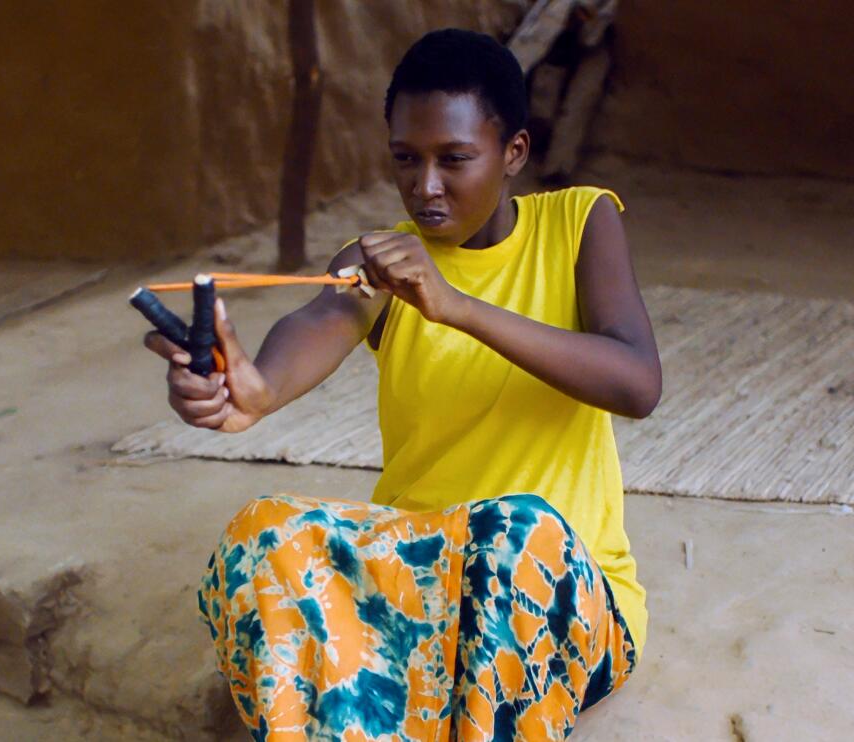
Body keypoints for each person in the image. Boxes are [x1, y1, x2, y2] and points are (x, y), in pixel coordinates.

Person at [144, 28, 660, 741]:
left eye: (454, 160)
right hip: (417, 589)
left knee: (517, 531)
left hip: (556, 598)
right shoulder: (379, 264)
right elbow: (319, 318)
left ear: (514, 152)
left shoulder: (579, 222)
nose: (426, 187)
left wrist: (457, 306)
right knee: (260, 537)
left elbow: (637, 382)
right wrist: (253, 389)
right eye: (405, 160)